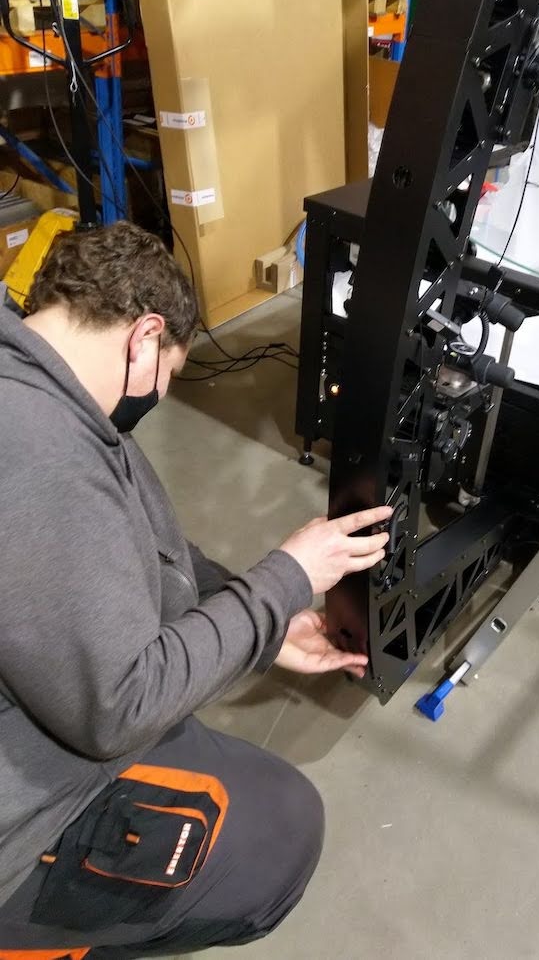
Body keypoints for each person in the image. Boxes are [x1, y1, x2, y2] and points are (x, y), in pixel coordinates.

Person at [0, 221, 391, 958]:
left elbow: (148, 550)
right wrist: (287, 577)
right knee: (278, 839)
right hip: (20, 814)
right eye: (170, 374)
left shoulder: (45, 390)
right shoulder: (41, 457)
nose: (159, 393)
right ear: (145, 336)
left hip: (54, 699)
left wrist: (266, 621)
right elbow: (120, 709)